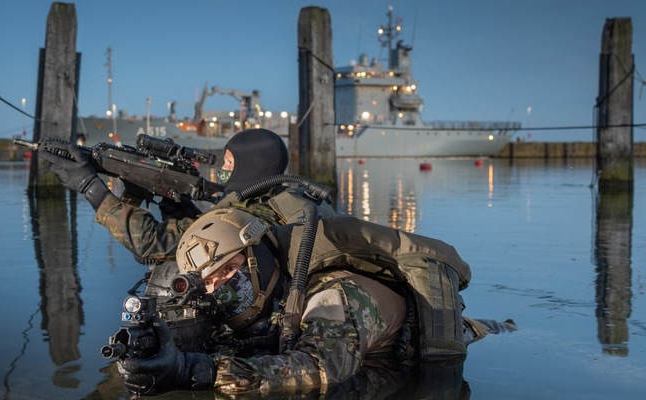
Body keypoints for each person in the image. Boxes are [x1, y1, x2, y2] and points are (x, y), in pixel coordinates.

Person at [116, 208, 516, 395]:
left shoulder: (335, 293)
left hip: (479, 339)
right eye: (209, 281)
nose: (220, 285)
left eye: (228, 269)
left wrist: (196, 373)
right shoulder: (277, 290)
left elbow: (323, 367)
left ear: (258, 256)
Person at [38, 128, 336, 265]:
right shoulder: (281, 197)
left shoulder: (254, 213)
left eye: (231, 163)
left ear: (252, 165)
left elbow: (153, 245)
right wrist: (176, 205)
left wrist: (92, 189)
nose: (224, 170)